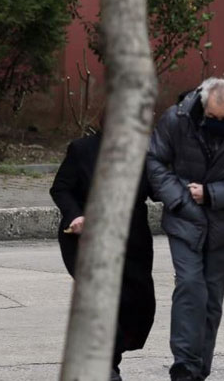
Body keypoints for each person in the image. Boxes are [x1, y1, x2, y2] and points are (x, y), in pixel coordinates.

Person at [147, 77, 224, 381]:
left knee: (212, 298)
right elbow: (154, 161)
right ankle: (185, 365)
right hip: (184, 218)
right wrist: (179, 198)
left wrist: (212, 194)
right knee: (190, 286)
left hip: (222, 223)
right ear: (203, 109)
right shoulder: (177, 120)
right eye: (214, 119)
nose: (220, 123)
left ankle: (199, 367)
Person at [50, 132, 155, 381]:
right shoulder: (81, 149)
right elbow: (61, 188)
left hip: (131, 239)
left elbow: (158, 189)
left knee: (137, 305)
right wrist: (74, 215)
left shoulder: (146, 151)